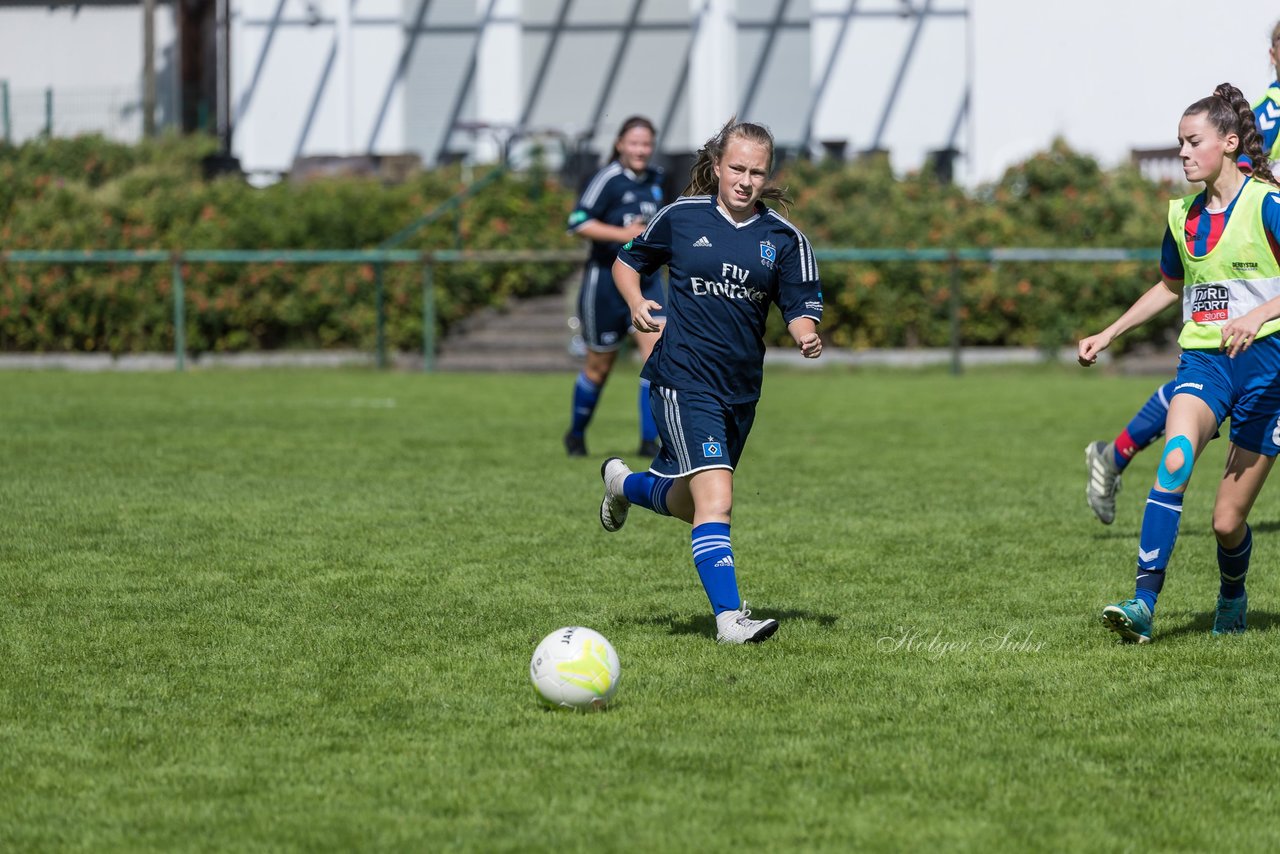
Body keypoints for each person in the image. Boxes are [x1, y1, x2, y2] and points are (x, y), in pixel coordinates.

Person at [595, 118, 824, 644]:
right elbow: (626, 263)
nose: (745, 180)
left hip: (740, 389)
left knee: (691, 503)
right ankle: (729, 620)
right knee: (718, 497)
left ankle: (622, 484)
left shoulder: (784, 240)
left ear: (769, 176)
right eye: (737, 168)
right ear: (717, 166)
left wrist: (805, 331)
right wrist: (635, 302)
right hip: (682, 377)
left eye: (757, 172)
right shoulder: (681, 217)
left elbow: (799, 305)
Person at [1078, 83, 1280, 643]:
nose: (1184, 153)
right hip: (1205, 365)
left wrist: (1258, 316)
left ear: (1229, 143)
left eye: (1194, 142)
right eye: (1180, 143)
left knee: (1225, 522)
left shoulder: (1268, 204)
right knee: (1174, 461)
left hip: (1269, 373)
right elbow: (1170, 286)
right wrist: (1110, 331)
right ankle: (1143, 604)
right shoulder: (1183, 217)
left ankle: (1233, 595)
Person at [1085, 20, 1280, 525]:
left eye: (1192, 142)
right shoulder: (1267, 115)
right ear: (1275, 54)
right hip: (1254, 277)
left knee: (1214, 378)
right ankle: (1118, 456)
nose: (1185, 153)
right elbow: (1254, 178)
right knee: (1208, 372)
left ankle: (1117, 454)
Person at [563, 116, 666, 458]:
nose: (641, 150)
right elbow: (576, 222)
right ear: (620, 144)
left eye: (647, 144)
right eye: (634, 143)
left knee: (656, 358)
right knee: (598, 367)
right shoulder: (606, 179)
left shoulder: (656, 181)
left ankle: (648, 443)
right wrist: (623, 235)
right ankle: (576, 435)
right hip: (605, 284)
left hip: (647, 281)